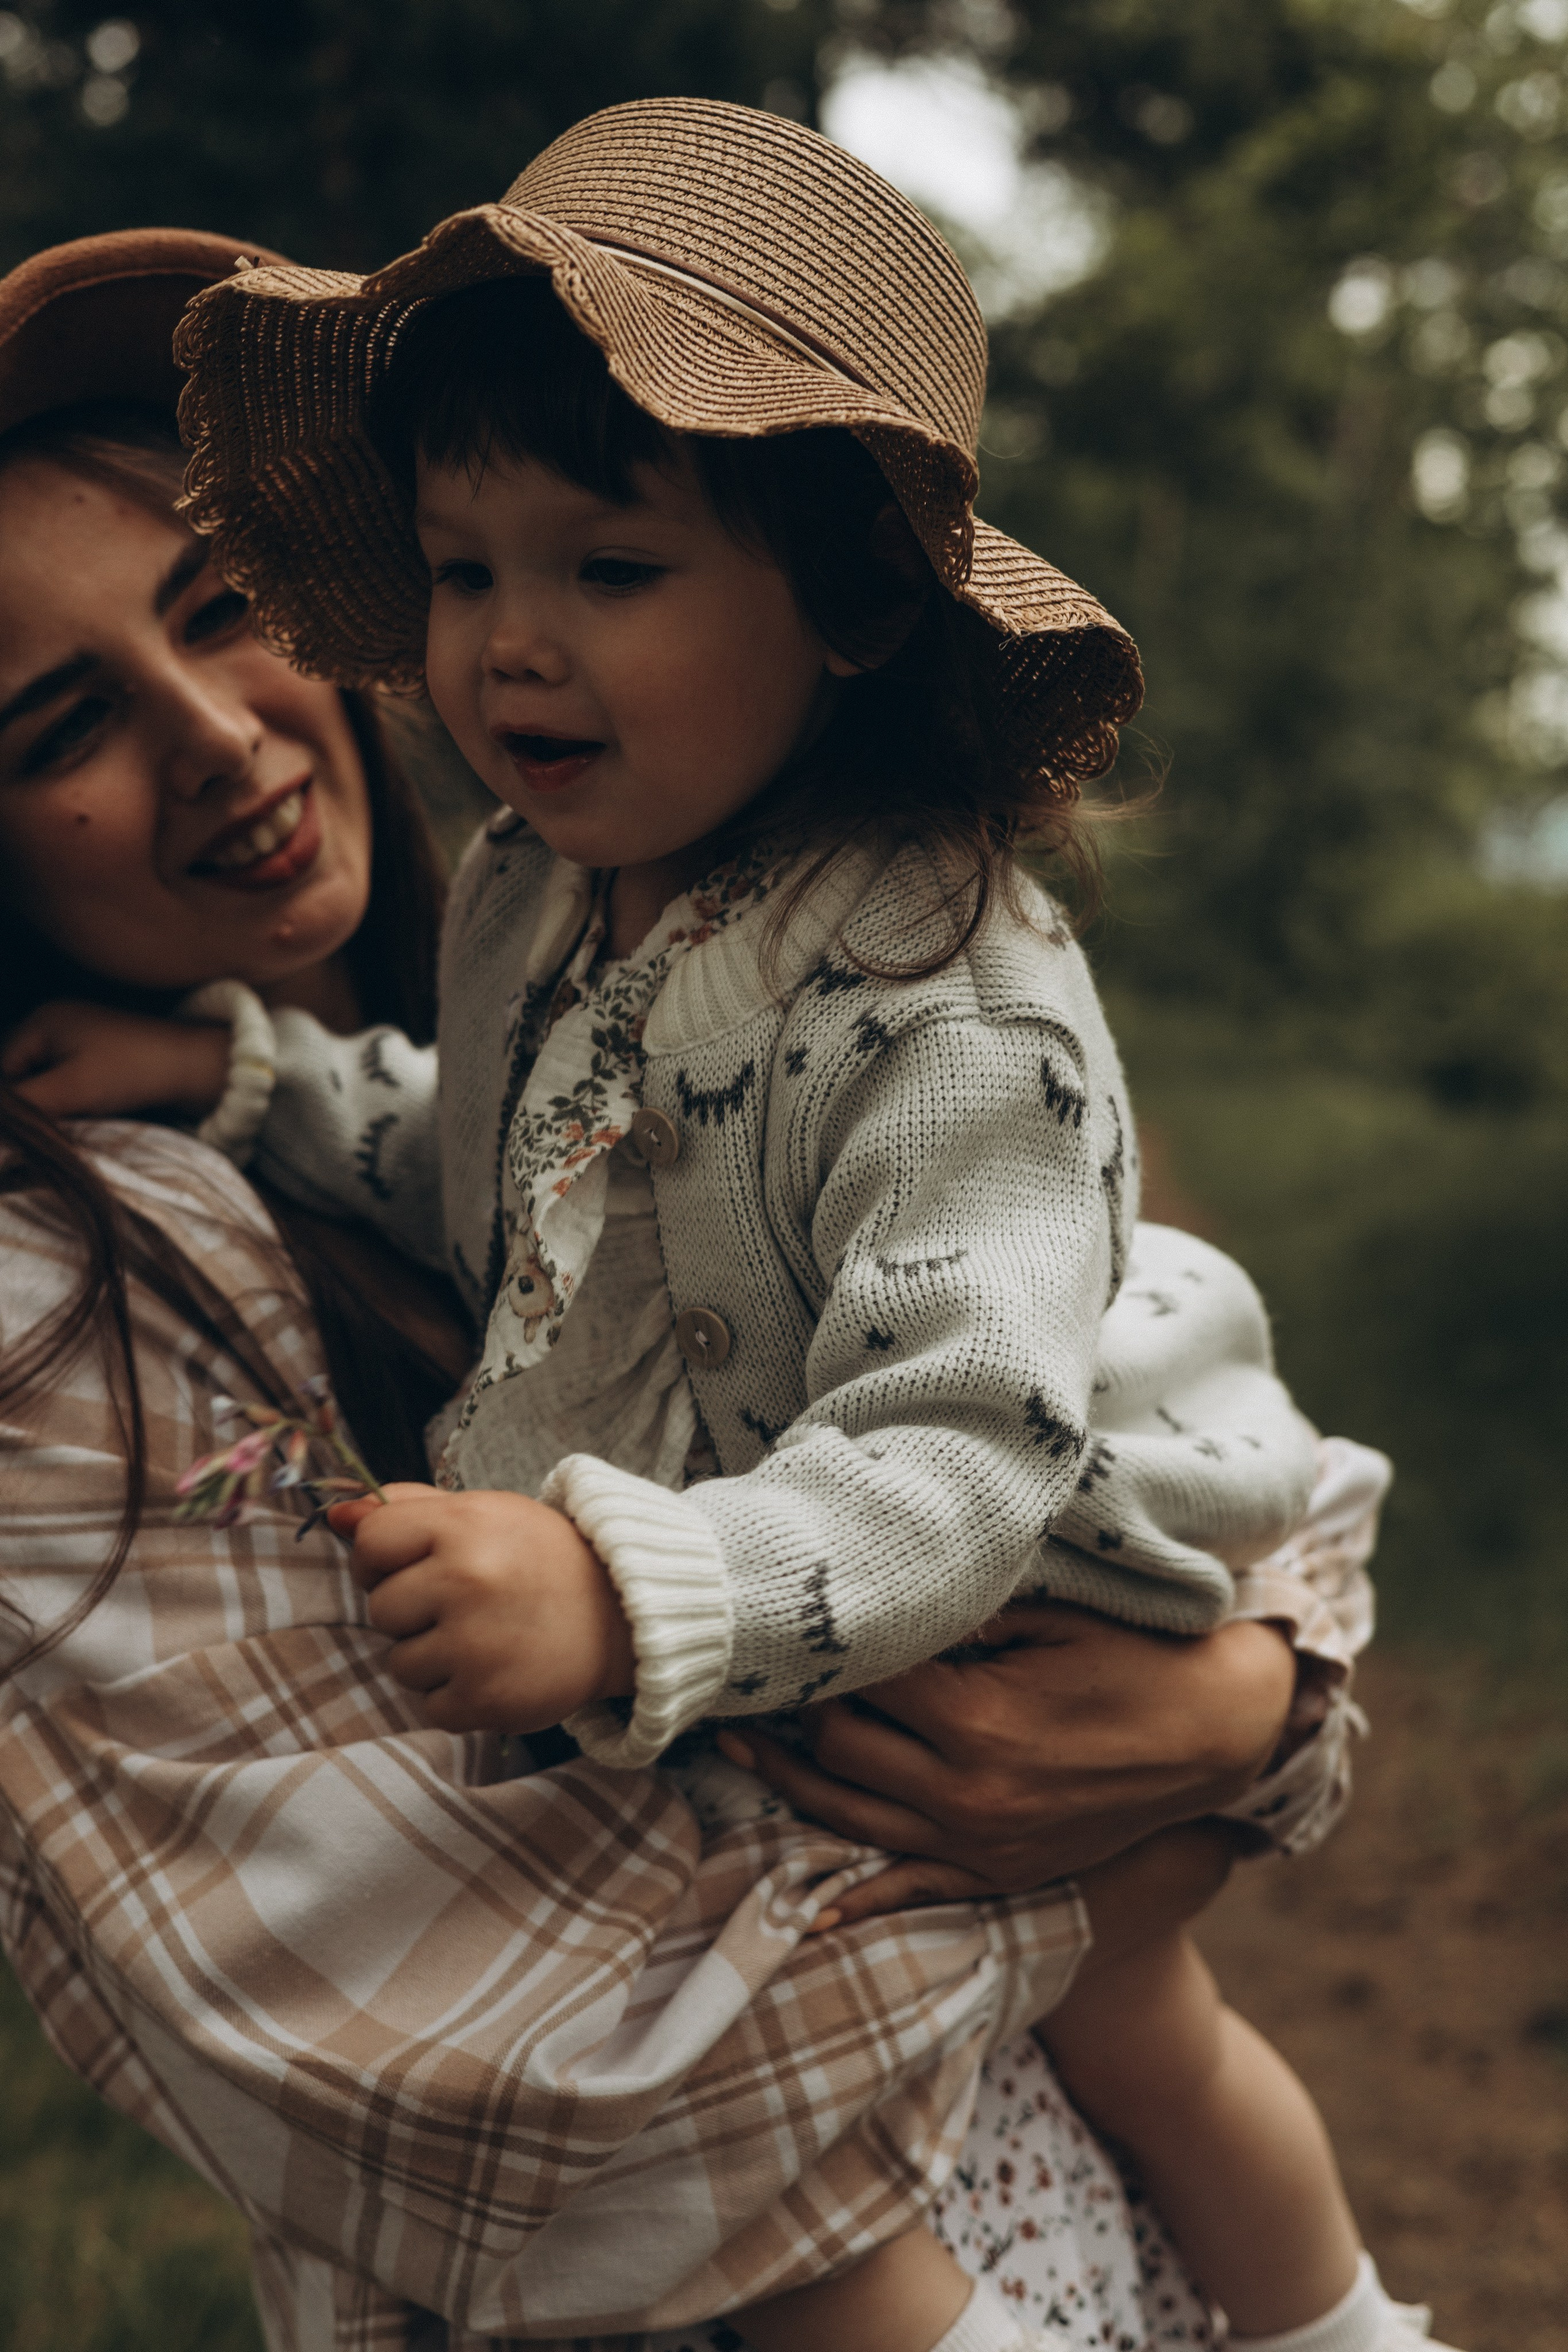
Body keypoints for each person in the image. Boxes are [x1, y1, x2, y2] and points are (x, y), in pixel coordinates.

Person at [13, 102, 1443, 2352]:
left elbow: (970, 1447)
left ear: (856, 602)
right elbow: (489, 1180)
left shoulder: (938, 989)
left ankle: (1350, 2327)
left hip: (967, 1561)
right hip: (782, 1746)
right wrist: (246, 1079)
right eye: (466, 571)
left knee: (1149, 2026)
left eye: (611, 570)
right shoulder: (530, 904)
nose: (509, 651)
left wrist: (620, 1580)